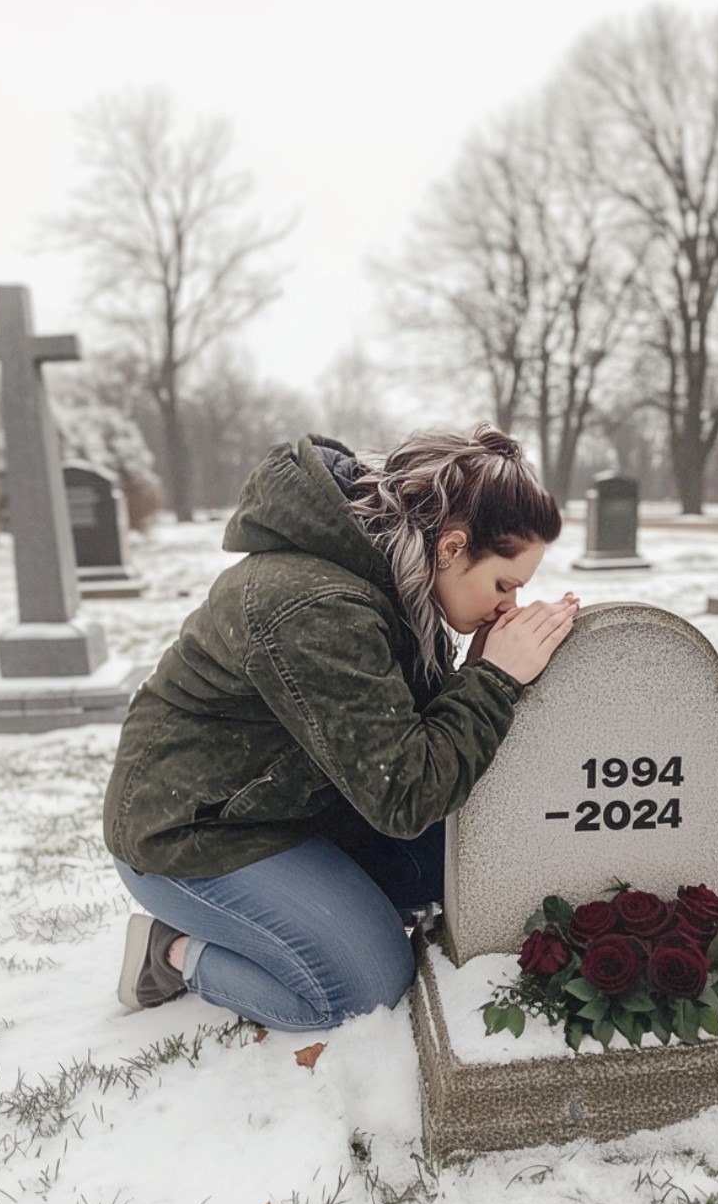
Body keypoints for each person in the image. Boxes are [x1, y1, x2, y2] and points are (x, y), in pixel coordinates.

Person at [106, 425, 580, 1033]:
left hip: (293, 807)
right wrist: (491, 680)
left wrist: (476, 671)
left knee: (470, 856)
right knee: (364, 984)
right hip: (195, 834)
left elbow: (411, 744)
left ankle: (310, 913)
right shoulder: (318, 607)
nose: (509, 604)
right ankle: (172, 951)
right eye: (504, 584)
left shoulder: (397, 577)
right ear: (453, 547)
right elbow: (404, 795)